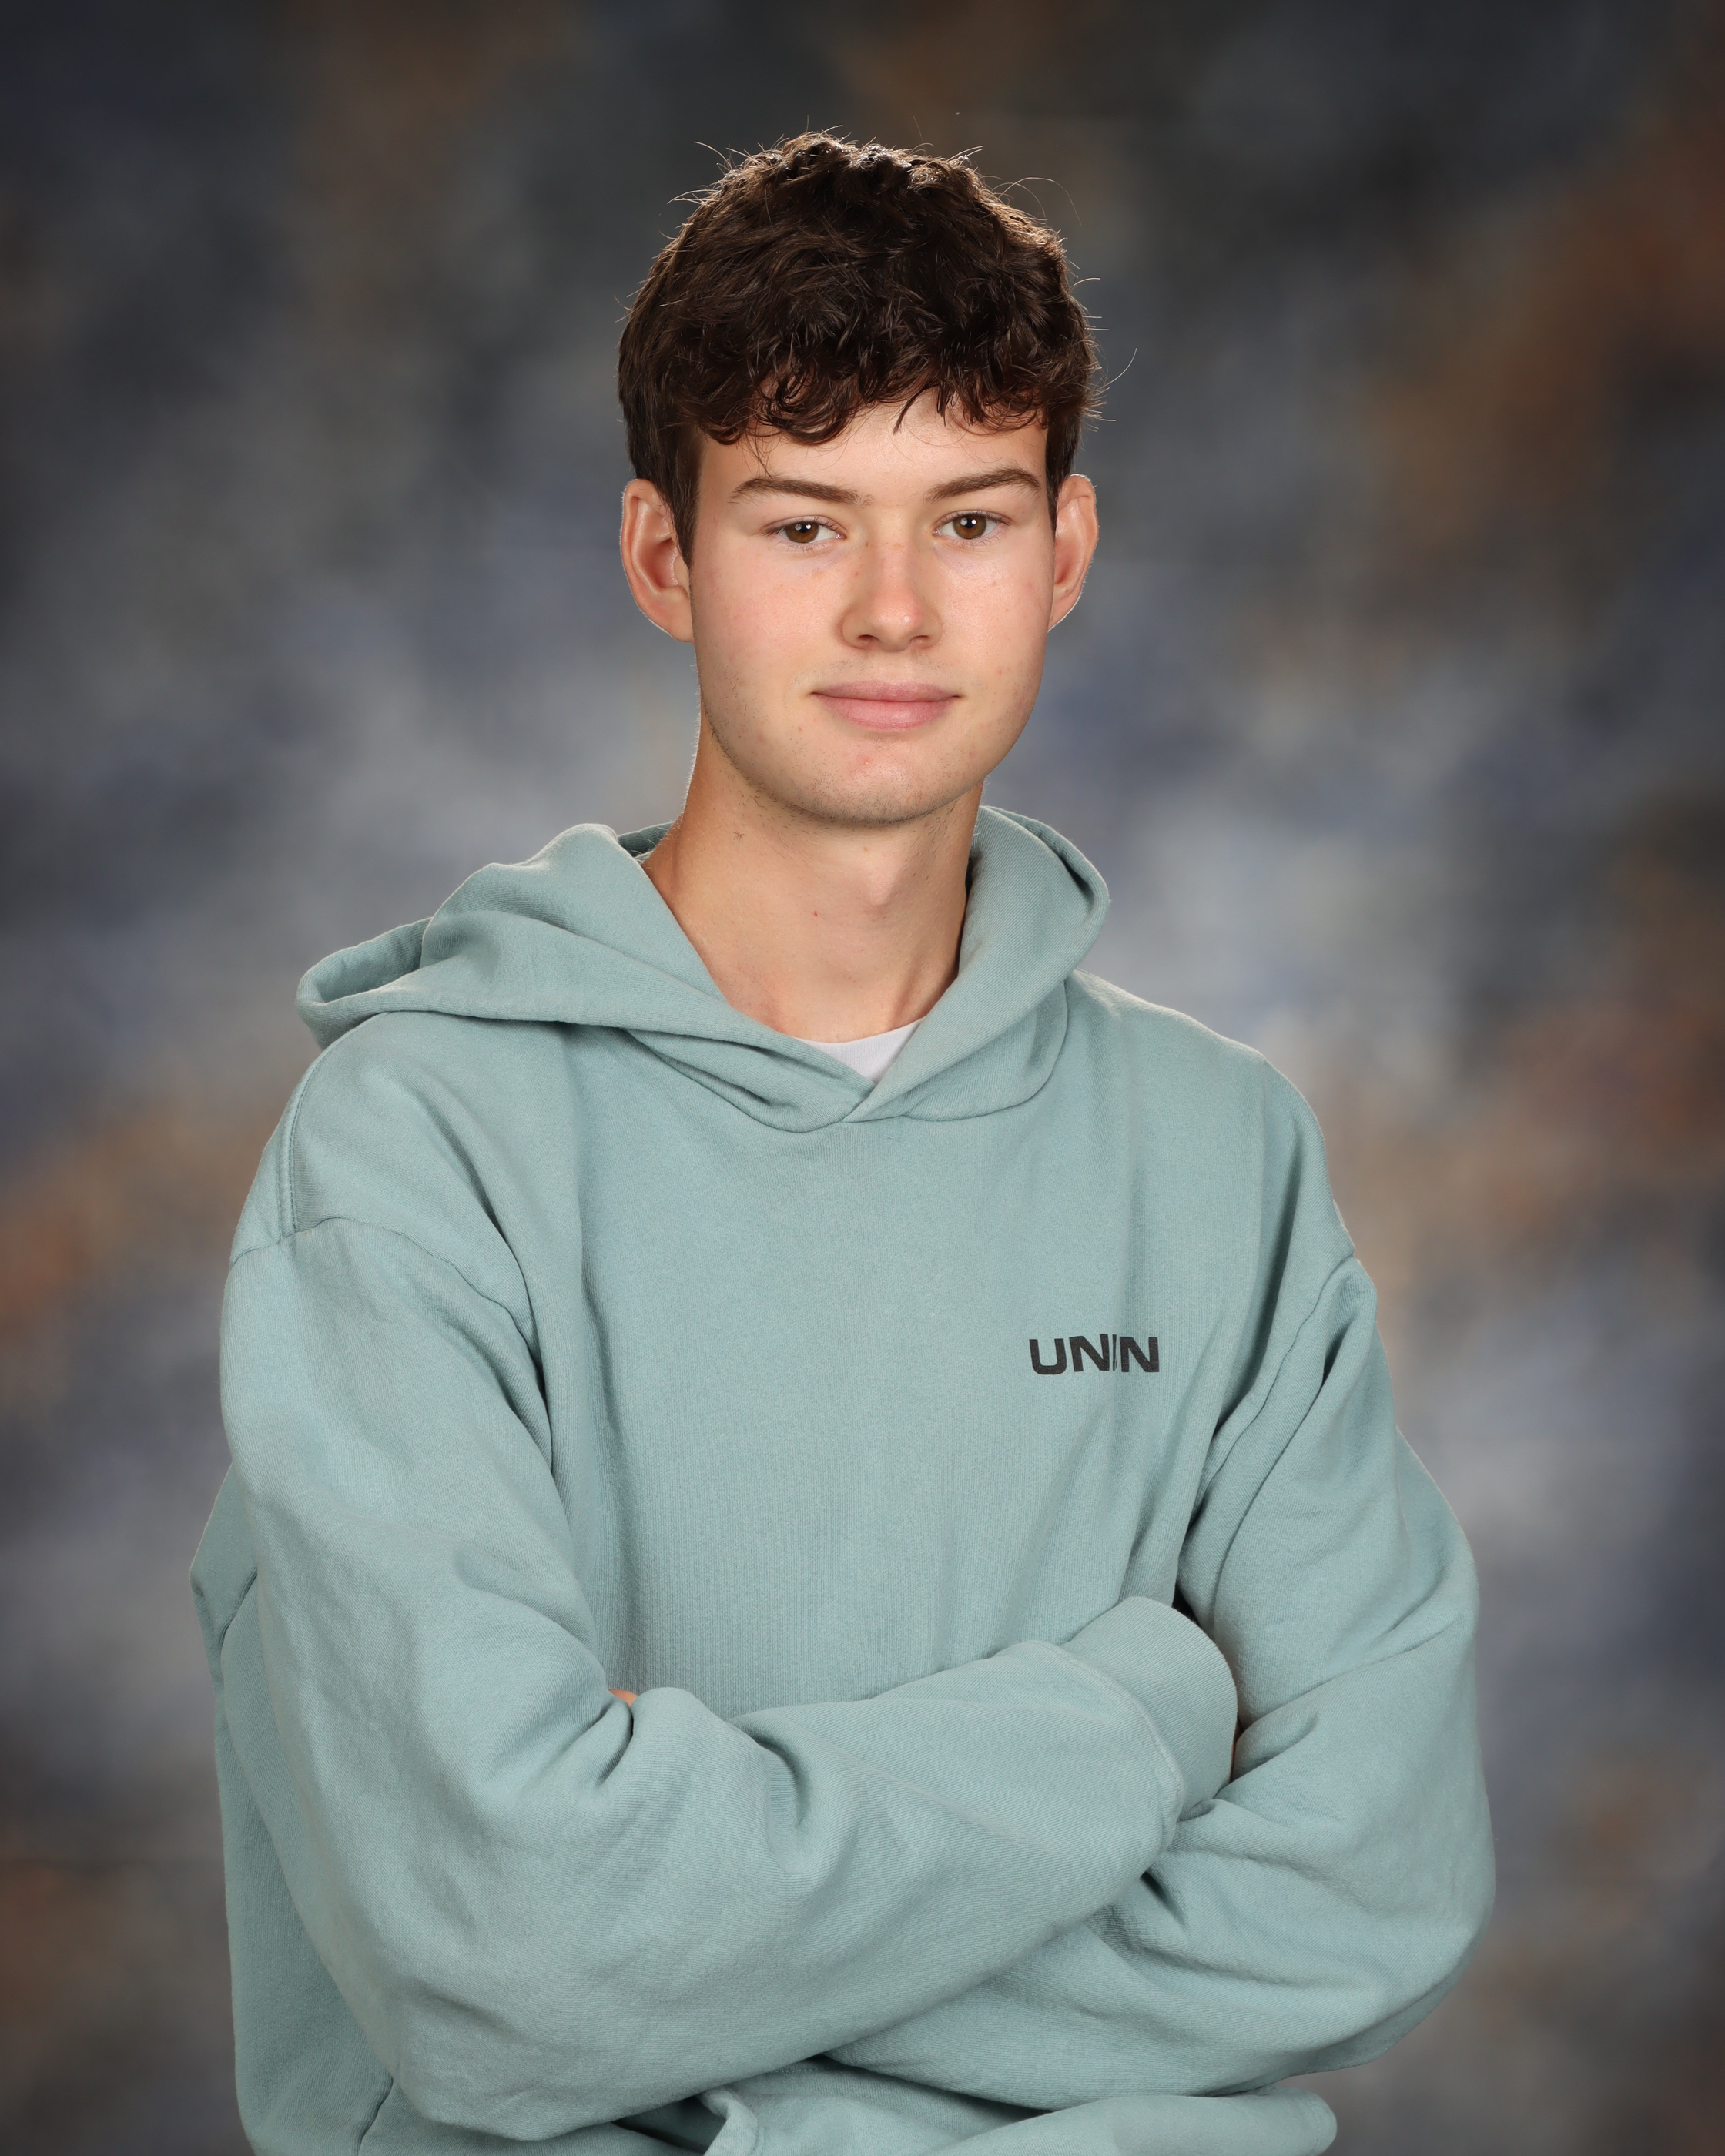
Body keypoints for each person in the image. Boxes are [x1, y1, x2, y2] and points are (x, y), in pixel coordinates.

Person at [193, 134, 1492, 2156]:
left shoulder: (1221, 1158)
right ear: (665, 559)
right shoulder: (417, 1150)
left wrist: (703, 1987)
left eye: (967, 520)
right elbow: (508, 1962)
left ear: (1065, 551)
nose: (895, 612)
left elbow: (1366, 1896)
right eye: (804, 524)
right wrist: (1147, 1712)